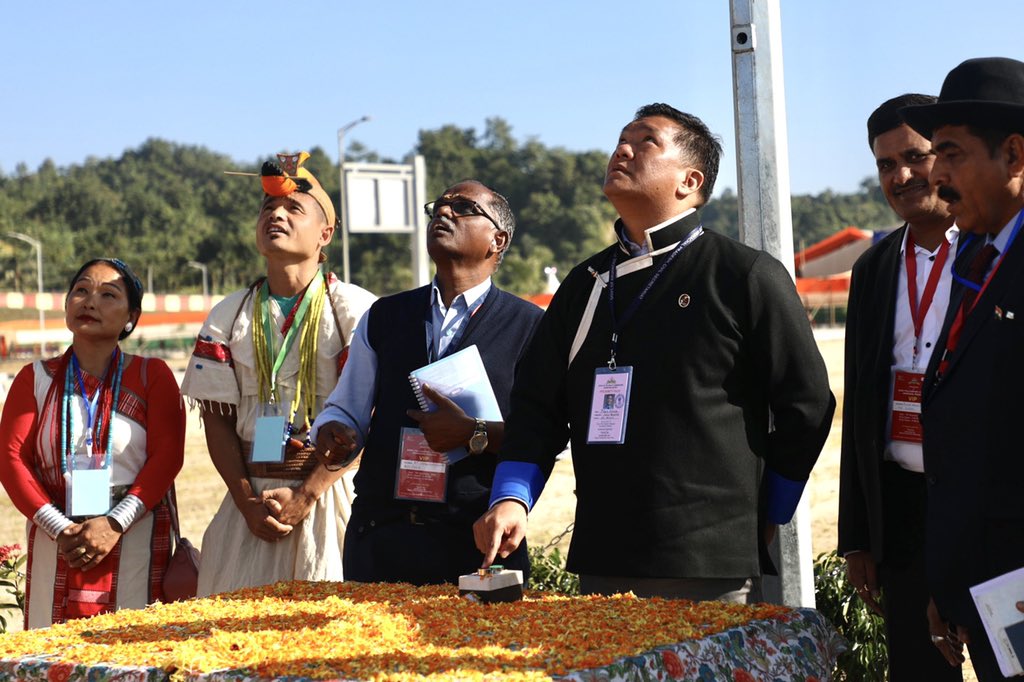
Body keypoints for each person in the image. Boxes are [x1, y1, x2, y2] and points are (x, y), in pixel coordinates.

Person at [473, 103, 835, 602]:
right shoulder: (586, 283)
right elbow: (538, 407)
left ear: (690, 181)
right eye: (622, 138)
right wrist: (511, 497)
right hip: (604, 558)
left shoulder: (743, 275)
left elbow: (807, 405)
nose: (622, 149)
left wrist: (768, 512)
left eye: (646, 142)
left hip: (712, 562)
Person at [312, 180, 542, 585]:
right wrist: (337, 430)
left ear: (497, 240)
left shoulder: (530, 326)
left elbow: (543, 437)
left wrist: (473, 434)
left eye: (463, 207)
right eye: (438, 206)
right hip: (381, 537)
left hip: (478, 542)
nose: (444, 212)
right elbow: (348, 407)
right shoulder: (385, 315)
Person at [180, 152, 376, 596]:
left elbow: (372, 414)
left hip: (332, 496)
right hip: (250, 506)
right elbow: (216, 420)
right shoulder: (227, 316)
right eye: (268, 209)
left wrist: (306, 495)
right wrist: (248, 502)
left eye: (293, 208)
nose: (276, 215)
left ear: (325, 233)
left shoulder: (355, 310)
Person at [900, 57, 1024, 681]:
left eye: (951, 156)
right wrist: (948, 587)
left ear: (1015, 155)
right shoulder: (977, 258)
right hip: (990, 588)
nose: (937, 178)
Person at [837, 94, 964, 679]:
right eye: (886, 164)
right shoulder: (875, 265)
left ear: (946, 156)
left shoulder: (996, 252)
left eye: (914, 156)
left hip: (977, 504)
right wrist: (858, 536)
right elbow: (860, 401)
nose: (902, 176)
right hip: (901, 509)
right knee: (916, 667)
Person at [0, 258, 185, 628]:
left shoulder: (152, 376)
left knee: (132, 653)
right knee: (54, 654)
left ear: (131, 317)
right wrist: (60, 528)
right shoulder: (34, 379)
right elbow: (11, 459)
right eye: (81, 290)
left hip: (133, 535)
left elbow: (167, 458)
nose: (90, 301)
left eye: (108, 294)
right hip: (58, 542)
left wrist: (115, 524)